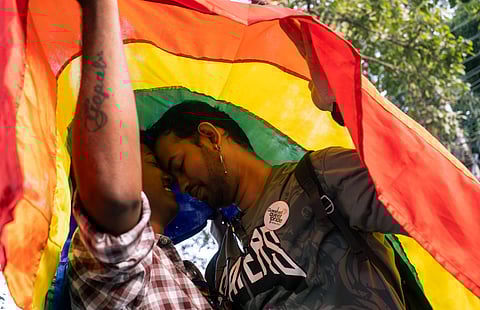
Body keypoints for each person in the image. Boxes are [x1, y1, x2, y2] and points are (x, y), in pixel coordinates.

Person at [144, 100, 411, 309]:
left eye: (179, 166)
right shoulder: (219, 268)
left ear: (210, 137)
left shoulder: (319, 177)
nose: (184, 185)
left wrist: (350, 108)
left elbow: (424, 204)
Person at [68, 0, 213, 308]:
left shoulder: (190, 273)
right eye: (151, 161)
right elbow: (115, 195)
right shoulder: (100, 263)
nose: (168, 176)